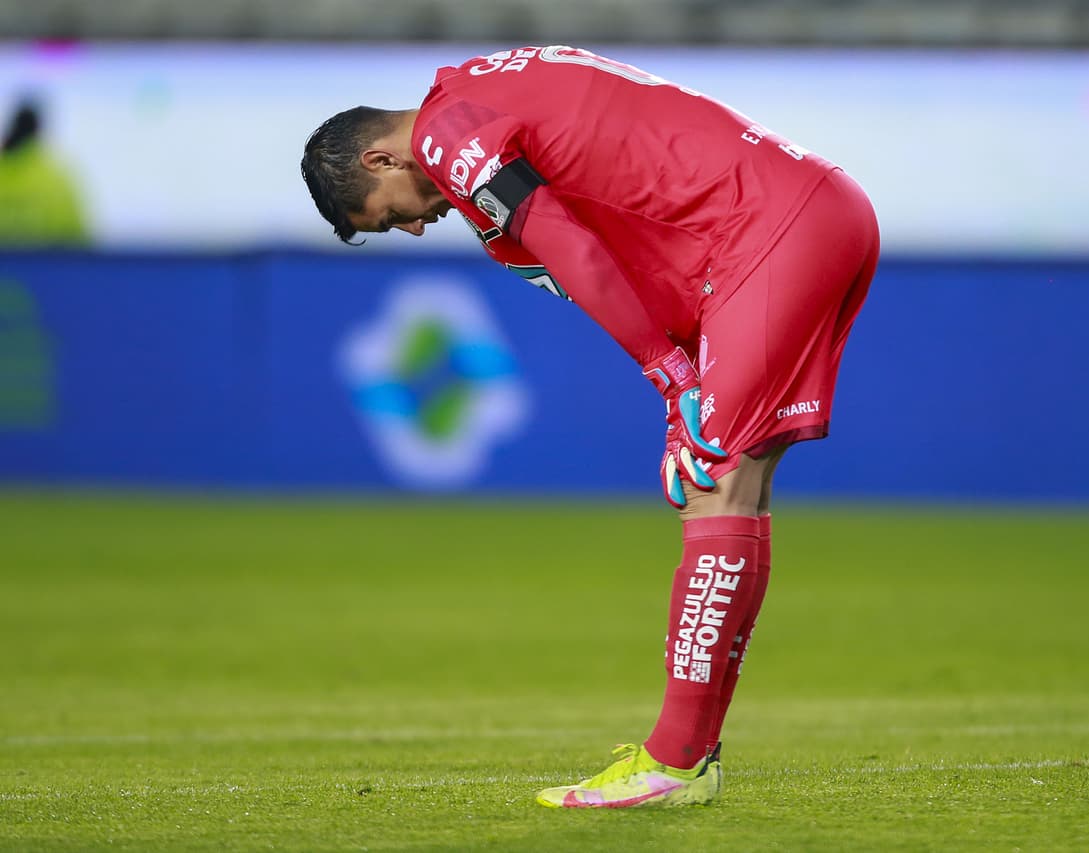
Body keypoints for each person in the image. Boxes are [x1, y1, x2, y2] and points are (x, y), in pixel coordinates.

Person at [301, 45, 879, 809]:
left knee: (714, 482)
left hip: (764, 227)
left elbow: (569, 245)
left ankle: (675, 764)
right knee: (736, 483)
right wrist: (680, 365)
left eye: (388, 216)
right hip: (804, 210)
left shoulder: (446, 135)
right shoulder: (477, 90)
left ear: (380, 157)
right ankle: (689, 753)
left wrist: (673, 380)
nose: (411, 229)